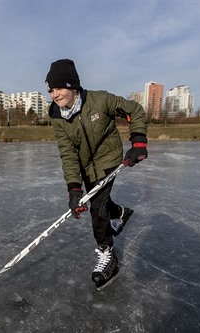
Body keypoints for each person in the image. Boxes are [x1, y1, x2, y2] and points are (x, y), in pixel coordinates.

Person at [45, 59, 148, 290]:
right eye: (50, 89)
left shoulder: (100, 100)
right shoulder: (56, 115)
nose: (54, 94)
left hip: (108, 159)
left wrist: (138, 141)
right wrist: (73, 189)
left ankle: (107, 254)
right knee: (98, 199)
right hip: (84, 165)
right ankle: (121, 213)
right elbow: (67, 153)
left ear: (72, 86)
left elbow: (135, 110)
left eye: (59, 88)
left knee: (98, 208)